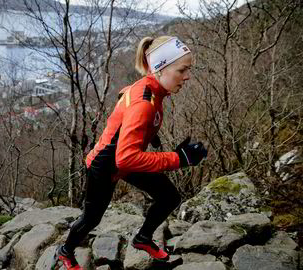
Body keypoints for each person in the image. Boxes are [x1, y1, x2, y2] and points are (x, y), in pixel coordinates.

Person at [51, 36, 208, 270]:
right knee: (92, 218)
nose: (187, 77)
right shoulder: (144, 103)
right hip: (104, 164)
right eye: (182, 70)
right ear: (160, 68)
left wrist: (149, 134)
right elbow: (125, 157)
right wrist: (179, 159)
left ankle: (142, 238)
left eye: (189, 70)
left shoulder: (152, 89)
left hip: (127, 158)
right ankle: (65, 251)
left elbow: (124, 95)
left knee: (170, 197)